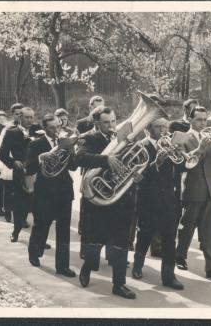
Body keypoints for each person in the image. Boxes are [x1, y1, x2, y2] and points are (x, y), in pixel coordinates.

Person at [75, 106, 137, 299]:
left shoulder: (121, 137)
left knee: (120, 243)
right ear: (96, 123)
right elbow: (79, 157)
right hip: (98, 199)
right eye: (106, 122)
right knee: (96, 242)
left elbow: (129, 160)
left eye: (113, 121)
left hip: (119, 198)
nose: (111, 126)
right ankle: (86, 268)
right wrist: (105, 159)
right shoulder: (89, 138)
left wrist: (135, 174)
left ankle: (119, 284)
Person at [174, 106, 211, 281]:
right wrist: (199, 149)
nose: (202, 123)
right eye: (198, 119)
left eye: (204, 119)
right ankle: (180, 256)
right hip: (193, 187)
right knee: (187, 226)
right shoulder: (183, 138)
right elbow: (181, 164)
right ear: (190, 120)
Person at [131, 118, 184, 290]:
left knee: (169, 239)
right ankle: (137, 266)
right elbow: (137, 175)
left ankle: (169, 276)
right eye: (158, 127)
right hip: (148, 199)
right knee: (145, 235)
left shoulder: (169, 145)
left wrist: (182, 154)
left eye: (164, 127)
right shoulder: (140, 146)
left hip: (168, 199)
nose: (162, 130)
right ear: (148, 128)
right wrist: (157, 164)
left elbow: (181, 169)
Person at [26, 114, 77, 277]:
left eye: (58, 127)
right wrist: (41, 158)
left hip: (64, 191)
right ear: (45, 129)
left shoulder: (65, 142)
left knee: (64, 231)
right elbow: (29, 168)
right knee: (41, 225)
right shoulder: (36, 144)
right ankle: (35, 252)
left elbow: (74, 167)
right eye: (52, 128)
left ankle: (62, 266)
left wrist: (70, 150)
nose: (56, 130)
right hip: (45, 192)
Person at [0, 103, 34, 242]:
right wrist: (13, 163)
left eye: (32, 117)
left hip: (38, 173)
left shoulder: (38, 131)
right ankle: (16, 232)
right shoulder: (12, 132)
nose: (29, 120)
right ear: (20, 118)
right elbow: (2, 154)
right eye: (26, 117)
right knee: (20, 205)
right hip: (20, 173)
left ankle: (39, 240)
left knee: (39, 207)